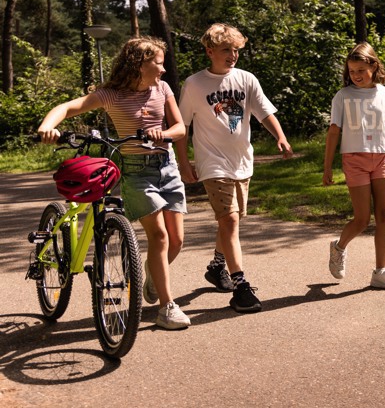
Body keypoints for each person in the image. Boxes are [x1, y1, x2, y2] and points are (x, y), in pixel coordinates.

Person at [37, 36, 191, 330]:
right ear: (139, 63)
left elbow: (180, 128)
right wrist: (48, 126)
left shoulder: (163, 88)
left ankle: (152, 274)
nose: (163, 70)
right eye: (158, 63)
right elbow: (69, 108)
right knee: (158, 237)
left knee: (177, 240)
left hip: (167, 167)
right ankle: (167, 308)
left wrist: (164, 134)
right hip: (136, 172)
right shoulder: (111, 94)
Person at [175, 23, 292, 313]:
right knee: (229, 220)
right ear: (209, 51)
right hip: (212, 162)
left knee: (232, 220)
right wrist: (184, 162)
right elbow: (182, 126)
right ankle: (240, 286)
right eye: (226, 49)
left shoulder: (246, 79)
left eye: (236, 50)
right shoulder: (194, 84)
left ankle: (217, 266)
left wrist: (280, 136)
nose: (232, 55)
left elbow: (264, 111)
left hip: (242, 161)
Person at [323, 42, 385, 290]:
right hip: (354, 159)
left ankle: (380, 272)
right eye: (351, 71)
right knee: (362, 218)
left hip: (381, 158)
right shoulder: (343, 96)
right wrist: (327, 167)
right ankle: (339, 248)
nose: (356, 76)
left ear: (373, 66)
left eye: (361, 70)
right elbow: (334, 132)